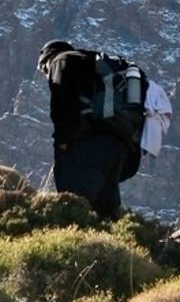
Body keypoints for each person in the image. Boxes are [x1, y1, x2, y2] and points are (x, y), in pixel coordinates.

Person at [36, 40, 136, 219]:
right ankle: (109, 242)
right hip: (119, 144)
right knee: (106, 208)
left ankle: (75, 242)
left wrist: (62, 144)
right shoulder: (93, 64)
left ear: (46, 59)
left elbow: (63, 106)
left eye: (44, 70)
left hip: (89, 143)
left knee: (73, 204)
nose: (46, 74)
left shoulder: (60, 60)